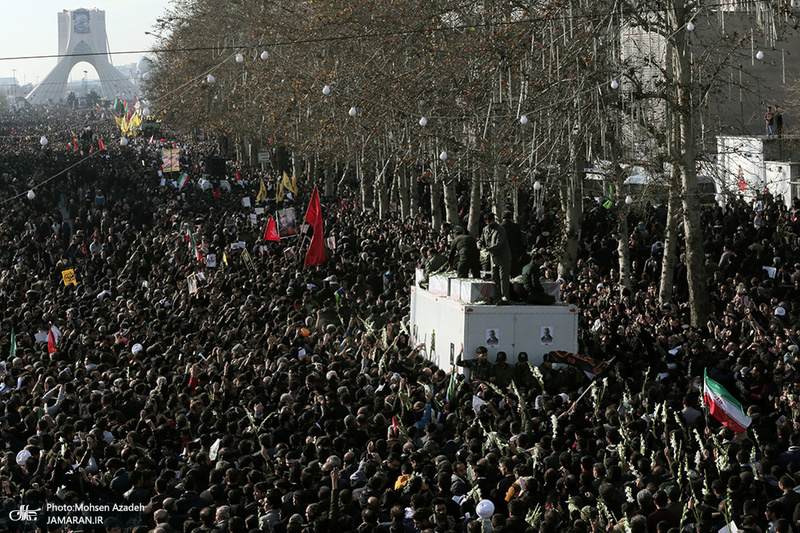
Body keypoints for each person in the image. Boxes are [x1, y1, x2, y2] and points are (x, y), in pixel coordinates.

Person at [479, 212, 512, 304]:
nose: (492, 222)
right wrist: (479, 243)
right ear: (486, 222)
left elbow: (499, 243)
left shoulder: (500, 229)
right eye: (490, 221)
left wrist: (488, 249)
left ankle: (505, 297)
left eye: (493, 220)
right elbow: (482, 239)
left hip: (503, 256)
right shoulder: (485, 229)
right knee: (495, 278)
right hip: (493, 258)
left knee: (503, 278)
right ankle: (496, 296)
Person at [500, 211, 524, 277]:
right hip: (514, 252)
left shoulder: (500, 227)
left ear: (502, 218)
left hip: (503, 253)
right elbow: (520, 241)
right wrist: (520, 253)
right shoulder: (516, 227)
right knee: (514, 272)